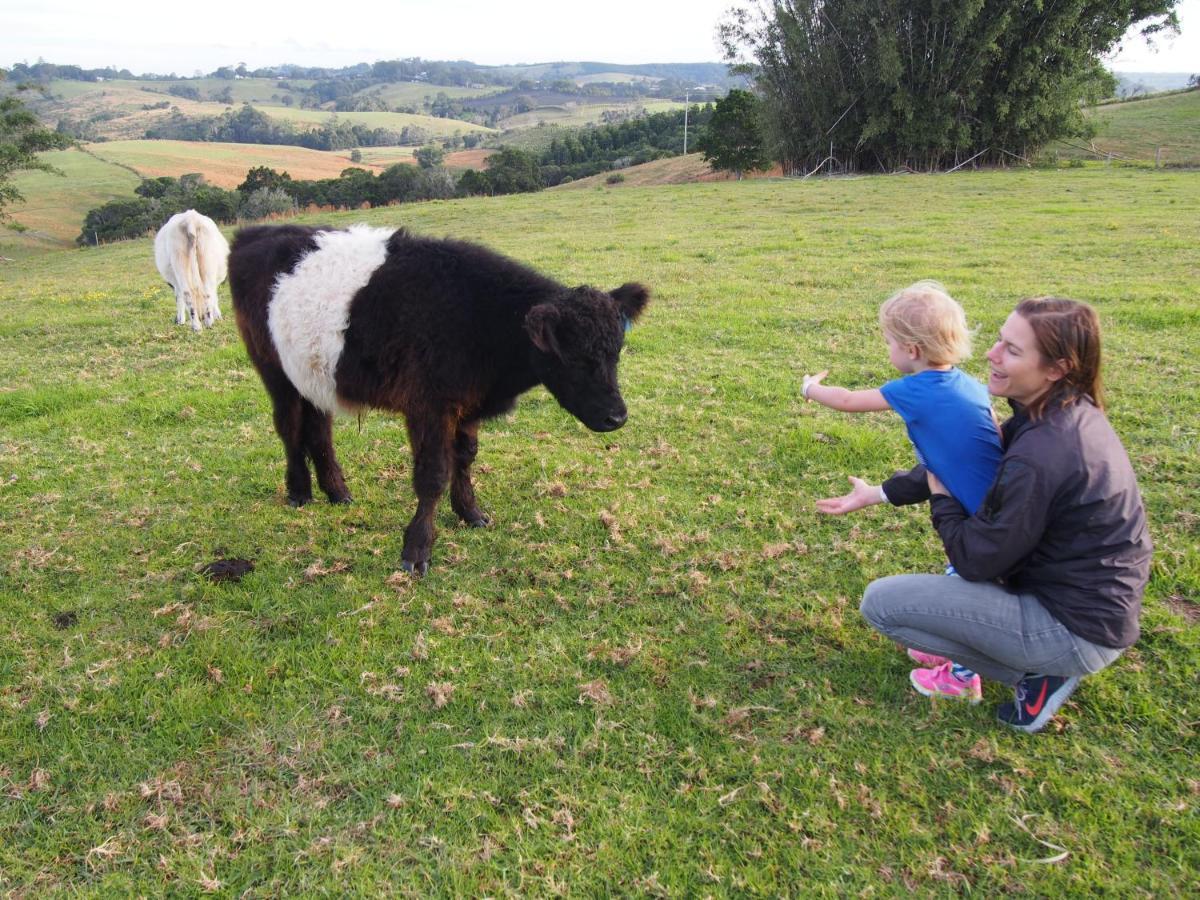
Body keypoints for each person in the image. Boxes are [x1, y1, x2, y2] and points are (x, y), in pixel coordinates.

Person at [817, 297, 1151, 733]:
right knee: (925, 598)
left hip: (1073, 628)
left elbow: (976, 559)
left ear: (1056, 369)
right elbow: (960, 461)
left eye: (1012, 350)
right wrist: (879, 494)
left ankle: (1039, 675)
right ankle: (1013, 654)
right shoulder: (1057, 415)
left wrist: (941, 500)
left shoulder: (1043, 453)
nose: (992, 354)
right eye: (999, 340)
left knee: (883, 605)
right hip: (1082, 605)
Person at [802, 281, 1002, 702]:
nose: (887, 348)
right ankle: (945, 650)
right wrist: (879, 492)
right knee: (962, 582)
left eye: (889, 341)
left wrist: (810, 388)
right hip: (992, 505)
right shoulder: (967, 383)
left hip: (980, 520)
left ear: (911, 349)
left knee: (964, 589)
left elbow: (849, 400)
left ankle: (963, 680)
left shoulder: (919, 388)